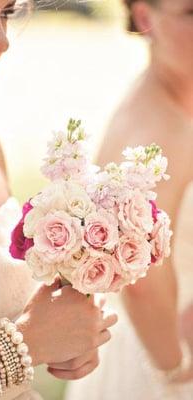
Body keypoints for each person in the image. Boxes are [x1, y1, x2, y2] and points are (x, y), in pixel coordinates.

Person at [0, 1, 118, 399]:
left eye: (7, 13)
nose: (0, 40)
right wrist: (25, 344)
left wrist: (67, 333)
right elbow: (23, 340)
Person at [65, 0, 193, 399]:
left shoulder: (176, 96)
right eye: (192, 13)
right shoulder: (156, 128)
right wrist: (175, 371)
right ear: (143, 16)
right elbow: (142, 280)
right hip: (155, 354)